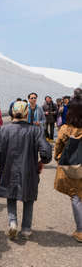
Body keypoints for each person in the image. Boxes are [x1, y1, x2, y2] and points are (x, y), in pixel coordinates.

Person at [0, 101, 52, 240]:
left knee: (11, 195)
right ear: (26, 113)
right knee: (28, 198)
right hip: (29, 169)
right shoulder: (36, 130)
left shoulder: (4, 130)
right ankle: (26, 229)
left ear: (12, 112)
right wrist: (42, 161)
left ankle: (13, 223)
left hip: (8, 169)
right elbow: (46, 152)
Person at [54, 95, 82, 243]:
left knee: (76, 196)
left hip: (73, 166)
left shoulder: (66, 128)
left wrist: (57, 156)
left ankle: (80, 231)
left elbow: (58, 144)